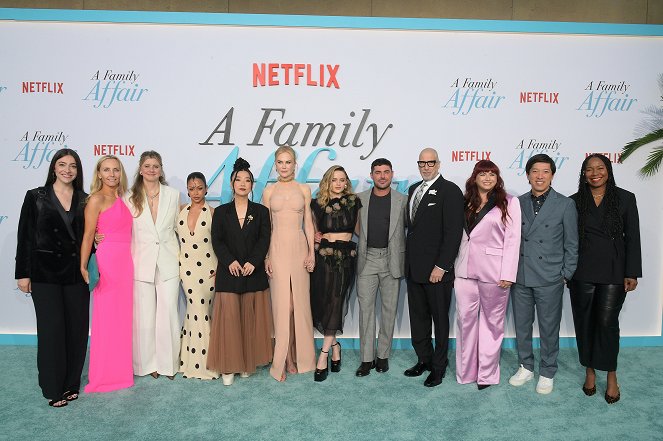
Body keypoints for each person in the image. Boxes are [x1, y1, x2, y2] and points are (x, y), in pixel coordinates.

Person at [15, 148, 90, 408]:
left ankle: (71, 384)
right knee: (52, 331)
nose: (67, 169)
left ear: (78, 171)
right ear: (54, 168)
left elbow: (87, 239)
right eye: (62, 164)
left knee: (77, 331)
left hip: (76, 274)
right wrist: (22, 274)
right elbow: (25, 236)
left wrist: (98, 243)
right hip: (44, 274)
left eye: (73, 166)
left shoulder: (85, 199)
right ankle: (52, 387)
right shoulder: (36, 196)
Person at [569, 153, 641, 404]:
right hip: (581, 272)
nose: (595, 172)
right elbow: (568, 240)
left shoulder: (625, 198)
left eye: (600, 168)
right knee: (584, 322)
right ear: (583, 173)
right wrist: (566, 271)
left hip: (613, 271)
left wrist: (631, 272)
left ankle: (611, 374)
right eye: (589, 169)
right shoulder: (574, 201)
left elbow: (632, 237)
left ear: (609, 171)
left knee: (607, 324)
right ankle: (589, 371)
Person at [509, 153, 578, 395]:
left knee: (549, 328)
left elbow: (572, 244)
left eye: (545, 171)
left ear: (552, 175)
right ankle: (526, 366)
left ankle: (548, 371)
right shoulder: (516, 203)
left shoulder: (565, 204)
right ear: (527, 175)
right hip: (521, 275)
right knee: (522, 325)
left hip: (550, 277)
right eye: (535, 171)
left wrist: (565, 274)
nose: (540, 176)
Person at [454, 160, 521, 389]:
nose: (487, 178)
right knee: (465, 323)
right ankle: (466, 373)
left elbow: (513, 240)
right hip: (463, 270)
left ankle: (487, 375)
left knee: (492, 325)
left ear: (497, 178)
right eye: (483, 174)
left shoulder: (509, 202)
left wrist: (508, 273)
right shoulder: (464, 202)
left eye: (492, 174)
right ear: (475, 177)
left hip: (495, 272)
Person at [207, 159, 273, 385]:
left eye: (247, 180)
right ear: (232, 183)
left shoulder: (262, 211)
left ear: (252, 185)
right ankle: (228, 366)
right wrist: (229, 261)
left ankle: (247, 363)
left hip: (253, 273)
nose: (243, 184)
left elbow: (264, 239)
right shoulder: (221, 212)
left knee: (250, 319)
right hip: (229, 273)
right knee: (229, 320)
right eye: (238, 180)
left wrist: (255, 261)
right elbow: (217, 240)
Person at [404, 147, 464, 388]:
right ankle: (424, 360)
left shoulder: (450, 191)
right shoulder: (413, 190)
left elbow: (453, 233)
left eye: (431, 163)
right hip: (414, 269)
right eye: (422, 163)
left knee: (439, 321)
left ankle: (439, 367)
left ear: (438, 164)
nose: (426, 166)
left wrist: (442, 266)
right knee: (418, 319)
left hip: (437, 272)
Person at [262, 145, 316, 382]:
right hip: (276, 248)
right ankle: (284, 359)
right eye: (280, 162)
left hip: (299, 246)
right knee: (281, 307)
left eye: (288, 162)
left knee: (298, 306)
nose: (284, 166)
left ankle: (297, 356)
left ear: (295, 164)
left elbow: (309, 223)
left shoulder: (304, 189)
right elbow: (265, 227)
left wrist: (312, 253)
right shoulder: (268, 190)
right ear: (276, 165)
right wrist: (265, 256)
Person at [80, 155, 134, 393]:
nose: (112, 174)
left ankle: (121, 373)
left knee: (122, 320)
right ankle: (102, 376)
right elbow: (88, 234)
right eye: (106, 170)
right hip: (108, 262)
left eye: (116, 170)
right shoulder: (95, 199)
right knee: (105, 319)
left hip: (125, 263)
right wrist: (83, 265)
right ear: (99, 174)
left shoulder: (123, 198)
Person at [127, 150, 181, 379]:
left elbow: (181, 229)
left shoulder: (174, 194)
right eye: (147, 165)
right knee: (144, 316)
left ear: (161, 170)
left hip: (169, 261)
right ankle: (147, 365)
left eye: (156, 166)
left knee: (168, 313)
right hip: (140, 262)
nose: (151, 169)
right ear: (140, 169)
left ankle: (169, 364)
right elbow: (123, 231)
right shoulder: (128, 198)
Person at [354, 158, 407, 377]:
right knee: (366, 311)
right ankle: (367, 359)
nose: (382, 176)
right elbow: (356, 227)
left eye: (386, 172)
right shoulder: (360, 199)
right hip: (368, 259)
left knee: (388, 310)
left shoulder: (402, 200)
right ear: (372, 175)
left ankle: (382, 356)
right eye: (378, 172)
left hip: (392, 260)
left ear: (392, 174)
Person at [310, 165, 362, 382]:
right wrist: (313, 245)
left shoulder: (354, 202)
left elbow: (361, 231)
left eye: (342, 179)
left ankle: (323, 355)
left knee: (335, 302)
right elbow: (314, 233)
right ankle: (336, 346)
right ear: (327, 182)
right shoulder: (316, 204)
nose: (339, 183)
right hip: (323, 258)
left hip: (345, 259)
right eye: (334, 180)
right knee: (322, 303)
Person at [177, 172, 218, 380]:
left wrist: (219, 269)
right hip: (186, 270)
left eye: (199, 188)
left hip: (209, 270)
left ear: (206, 189)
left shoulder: (213, 212)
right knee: (193, 312)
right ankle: (188, 362)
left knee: (202, 311)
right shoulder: (180, 211)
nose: (196, 192)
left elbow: (220, 243)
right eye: (191, 188)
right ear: (187, 190)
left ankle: (207, 364)